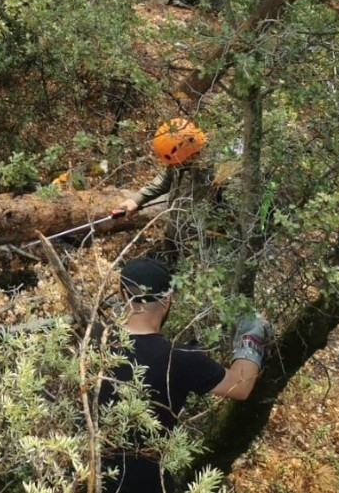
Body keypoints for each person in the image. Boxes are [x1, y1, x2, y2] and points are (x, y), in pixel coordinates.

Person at [99, 257, 271, 492]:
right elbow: (241, 386)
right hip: (150, 485)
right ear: (167, 301)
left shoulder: (93, 341)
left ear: (121, 293)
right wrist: (251, 337)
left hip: (88, 478)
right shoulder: (179, 358)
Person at [113, 118, 218, 259]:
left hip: (198, 242)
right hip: (174, 231)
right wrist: (137, 199)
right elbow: (165, 179)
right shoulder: (181, 158)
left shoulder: (217, 169)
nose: (174, 166)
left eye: (176, 163)